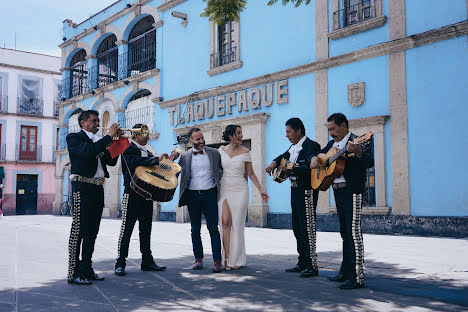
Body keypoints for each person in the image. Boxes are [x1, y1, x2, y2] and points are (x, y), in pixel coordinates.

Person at [309, 113, 373, 289]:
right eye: (329, 129)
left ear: (344, 126)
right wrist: (314, 158)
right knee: (344, 233)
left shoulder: (358, 140)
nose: (331, 133)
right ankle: (345, 271)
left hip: (352, 191)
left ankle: (356, 276)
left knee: (353, 233)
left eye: (333, 129)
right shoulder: (332, 145)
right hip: (338, 192)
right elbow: (319, 155)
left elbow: (369, 162)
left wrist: (358, 151)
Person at [114, 124, 177, 276]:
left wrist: (170, 160)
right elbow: (135, 162)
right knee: (126, 229)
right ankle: (120, 263)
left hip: (147, 195)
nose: (148, 137)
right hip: (131, 193)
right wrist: (155, 159)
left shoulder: (148, 151)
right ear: (135, 135)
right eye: (144, 134)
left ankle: (147, 261)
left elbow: (155, 168)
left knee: (146, 229)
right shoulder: (127, 148)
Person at [66, 110, 120, 285]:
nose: (98, 123)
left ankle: (87, 269)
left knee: (92, 232)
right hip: (81, 187)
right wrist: (108, 138)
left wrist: (117, 144)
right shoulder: (74, 138)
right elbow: (88, 152)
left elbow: (111, 161)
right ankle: (73, 272)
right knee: (79, 230)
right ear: (83, 123)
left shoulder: (99, 141)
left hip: (97, 187)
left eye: (98, 120)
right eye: (94, 120)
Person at [265, 118, 321, 278]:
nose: (287, 135)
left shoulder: (313, 146)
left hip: (307, 191)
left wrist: (290, 167)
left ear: (298, 131)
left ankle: (312, 265)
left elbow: (308, 168)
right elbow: (282, 156)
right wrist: (274, 163)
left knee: (307, 227)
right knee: (297, 227)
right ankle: (302, 261)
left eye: (289, 132)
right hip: (294, 190)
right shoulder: (292, 147)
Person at [218, 125, 269, 270]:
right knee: (225, 222)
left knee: (237, 224)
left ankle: (237, 259)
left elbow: (251, 173)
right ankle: (227, 258)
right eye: (238, 133)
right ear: (230, 136)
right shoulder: (220, 151)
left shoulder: (246, 151)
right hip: (225, 188)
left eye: (241, 133)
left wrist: (261, 190)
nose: (241, 136)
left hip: (240, 190)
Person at [178, 127, 223, 273]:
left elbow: (222, 170)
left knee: (213, 228)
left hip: (210, 194)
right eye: (198, 139)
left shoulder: (214, 153)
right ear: (191, 141)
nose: (202, 141)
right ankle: (198, 259)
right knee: (195, 229)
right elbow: (175, 171)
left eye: (202, 138)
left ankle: (217, 261)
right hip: (192, 196)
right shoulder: (184, 156)